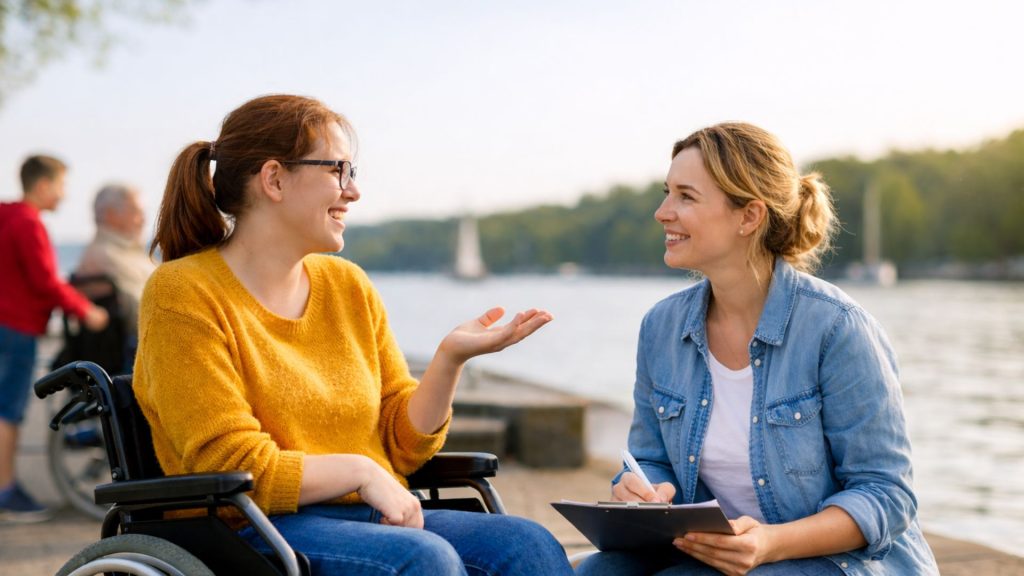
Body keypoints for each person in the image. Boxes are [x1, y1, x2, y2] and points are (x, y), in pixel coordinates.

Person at [134, 94, 574, 575]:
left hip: (368, 513)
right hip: (248, 526)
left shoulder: (347, 285)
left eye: (353, 173)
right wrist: (362, 472)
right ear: (274, 179)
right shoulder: (181, 293)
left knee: (527, 544)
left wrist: (449, 360)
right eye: (338, 171)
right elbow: (228, 461)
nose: (353, 192)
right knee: (424, 559)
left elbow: (401, 443)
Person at [576, 123, 939, 575]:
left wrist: (770, 543)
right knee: (594, 571)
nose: (662, 212)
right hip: (709, 555)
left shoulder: (837, 328)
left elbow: (886, 494)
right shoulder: (660, 328)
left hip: (834, 561)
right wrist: (645, 489)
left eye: (685, 196)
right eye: (666, 192)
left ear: (749, 216)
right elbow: (650, 457)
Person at [0, 155, 109, 522]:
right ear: (43, 185)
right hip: (16, 326)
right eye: (61, 186)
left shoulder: (5, 215)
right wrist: (87, 311)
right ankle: (5, 492)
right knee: (9, 409)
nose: (64, 195)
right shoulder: (30, 224)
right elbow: (45, 282)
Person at [75, 183, 156, 369]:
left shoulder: (126, 253)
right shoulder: (104, 255)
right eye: (136, 211)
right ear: (111, 215)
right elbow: (144, 310)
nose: (143, 219)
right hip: (132, 358)